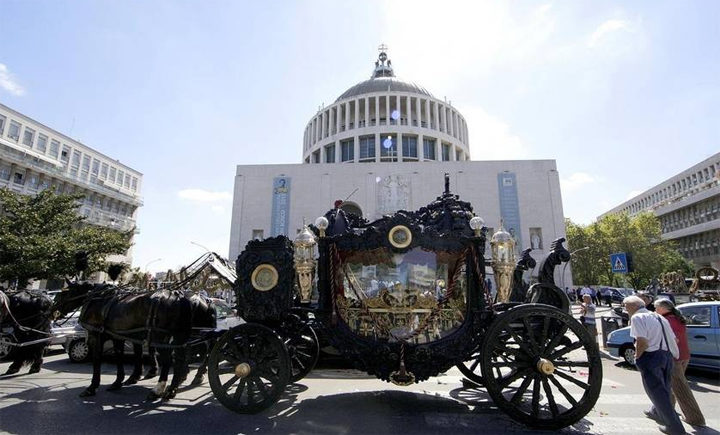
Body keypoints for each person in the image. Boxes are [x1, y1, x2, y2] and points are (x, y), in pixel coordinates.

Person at [623, 295, 685, 435]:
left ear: (633, 306)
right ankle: (655, 411)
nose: (625, 310)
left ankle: (675, 428)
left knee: (657, 392)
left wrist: (637, 357)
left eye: (626, 306)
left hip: (651, 357)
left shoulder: (637, 318)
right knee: (665, 388)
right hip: (667, 356)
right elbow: (674, 339)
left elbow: (642, 341)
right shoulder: (659, 317)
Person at [654, 299, 706, 427]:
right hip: (684, 355)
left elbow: (673, 340)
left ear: (663, 308)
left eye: (656, 307)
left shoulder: (667, 321)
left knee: (681, 389)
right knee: (673, 386)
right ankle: (661, 410)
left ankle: (695, 418)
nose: (655, 310)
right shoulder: (677, 318)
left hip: (674, 358)